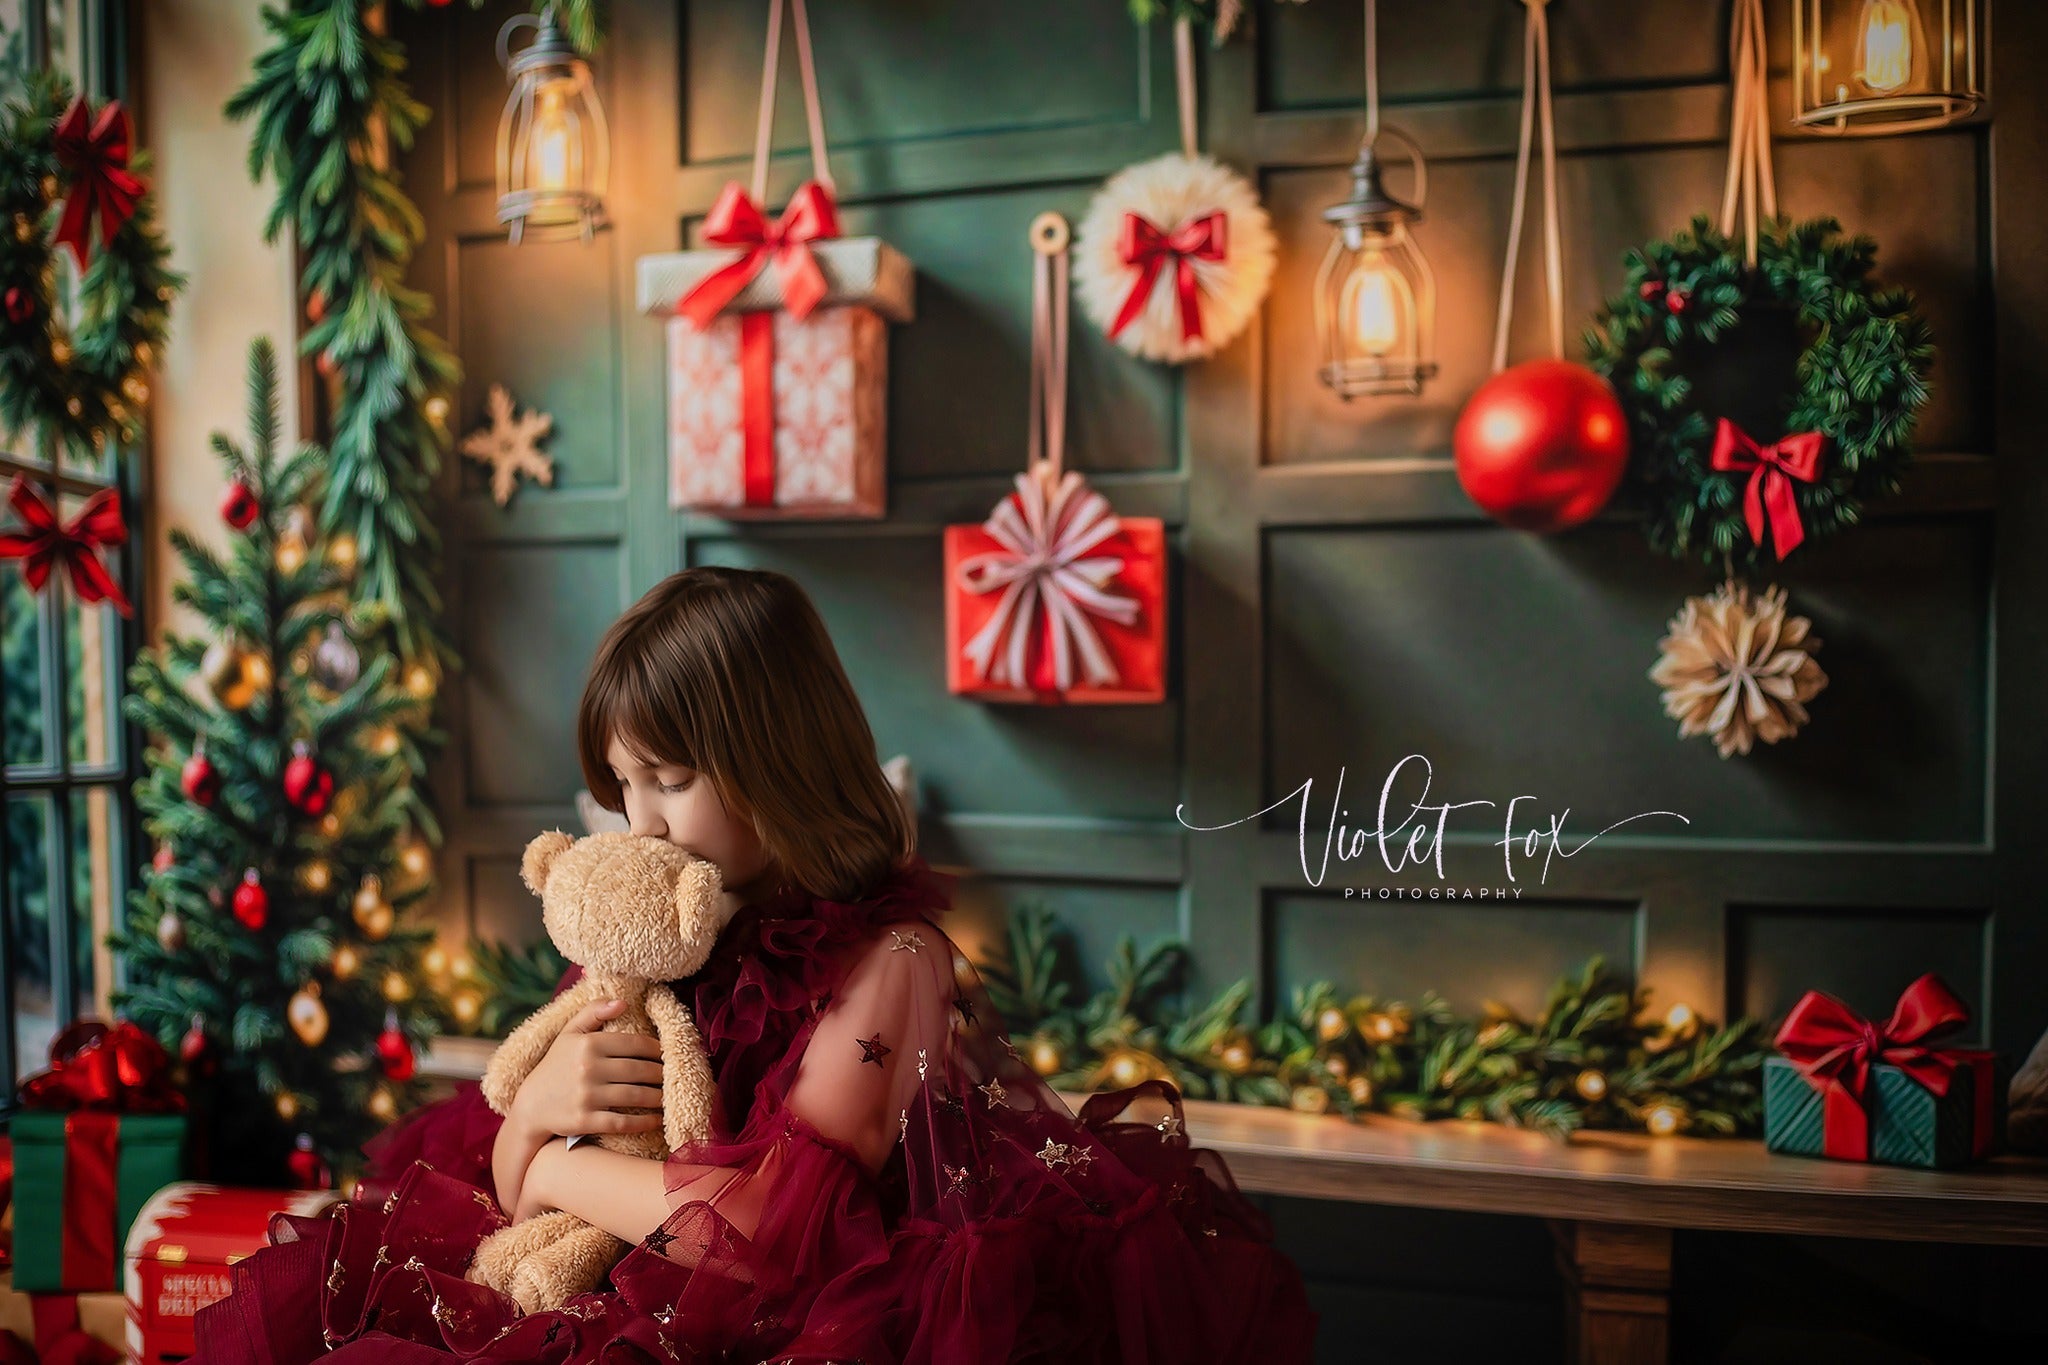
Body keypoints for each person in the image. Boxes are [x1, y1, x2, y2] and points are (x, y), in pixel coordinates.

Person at [192, 567, 1317, 1364]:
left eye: (667, 780)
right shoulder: (656, 936)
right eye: (619, 786)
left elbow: (772, 1237)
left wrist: (545, 1162)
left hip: (808, 1320)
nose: (638, 822)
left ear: (771, 762)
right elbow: (511, 1168)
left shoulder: (896, 960)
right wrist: (526, 1118)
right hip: (610, 1280)